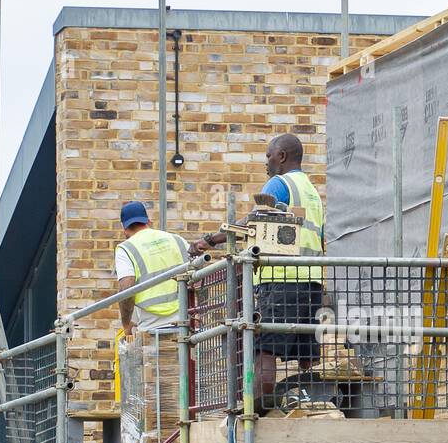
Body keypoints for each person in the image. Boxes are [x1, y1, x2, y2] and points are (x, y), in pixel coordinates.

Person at [192, 134, 325, 402]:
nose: (267, 162)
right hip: (310, 282)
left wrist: (209, 240)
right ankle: (312, 407)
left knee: (263, 350)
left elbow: (252, 222)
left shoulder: (280, 183)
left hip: (280, 280)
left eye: (269, 156)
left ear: (282, 156)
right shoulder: (311, 191)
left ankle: (259, 418)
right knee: (306, 355)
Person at [115, 200, 190, 335]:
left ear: (124, 228)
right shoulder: (177, 240)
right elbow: (199, 276)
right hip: (184, 321)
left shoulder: (126, 249)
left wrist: (126, 324)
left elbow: (126, 288)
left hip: (151, 326)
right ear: (148, 221)